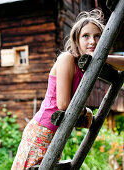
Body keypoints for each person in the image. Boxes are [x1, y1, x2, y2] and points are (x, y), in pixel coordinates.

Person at [11, 8, 124, 170]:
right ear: (76, 40)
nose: (92, 41)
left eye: (97, 36)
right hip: (41, 131)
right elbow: (63, 104)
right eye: (86, 36)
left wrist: (101, 56)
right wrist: (88, 112)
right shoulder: (67, 58)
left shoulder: (87, 66)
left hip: (57, 132)